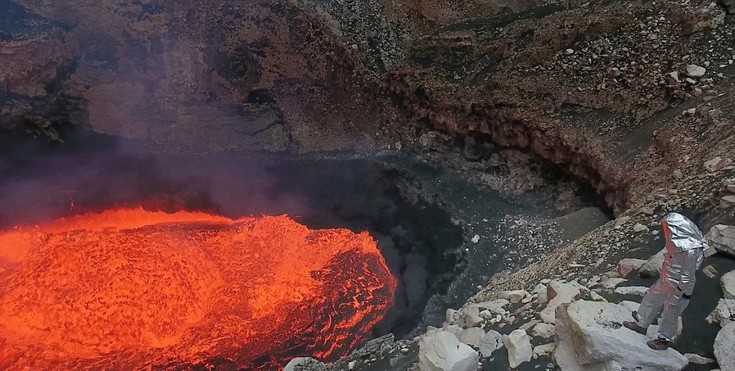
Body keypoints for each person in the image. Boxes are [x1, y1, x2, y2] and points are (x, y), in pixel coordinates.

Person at [623, 212, 715, 350]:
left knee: (671, 311)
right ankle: (641, 323)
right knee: (651, 298)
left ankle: (664, 339)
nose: (665, 231)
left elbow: (688, 276)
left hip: (679, 286)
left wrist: (679, 291)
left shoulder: (690, 250)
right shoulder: (677, 244)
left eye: (667, 228)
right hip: (667, 279)